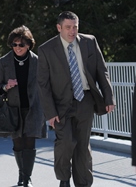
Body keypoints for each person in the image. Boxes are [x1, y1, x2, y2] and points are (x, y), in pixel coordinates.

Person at [37, 11, 115, 187]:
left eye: (75, 27)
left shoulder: (89, 42)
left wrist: (108, 97)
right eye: (68, 27)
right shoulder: (46, 50)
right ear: (59, 28)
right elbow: (43, 84)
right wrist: (50, 112)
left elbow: (102, 71)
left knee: (82, 146)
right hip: (60, 104)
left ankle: (84, 184)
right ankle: (64, 180)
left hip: (85, 100)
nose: (72, 31)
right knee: (65, 143)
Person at [0, 26, 46, 187]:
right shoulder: (4, 61)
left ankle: (26, 178)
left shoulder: (38, 61)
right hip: (13, 110)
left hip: (33, 108)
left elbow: (46, 85)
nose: (17, 48)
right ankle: (22, 175)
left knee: (30, 143)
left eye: (21, 45)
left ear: (29, 45)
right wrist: (5, 87)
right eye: (14, 44)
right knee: (17, 144)